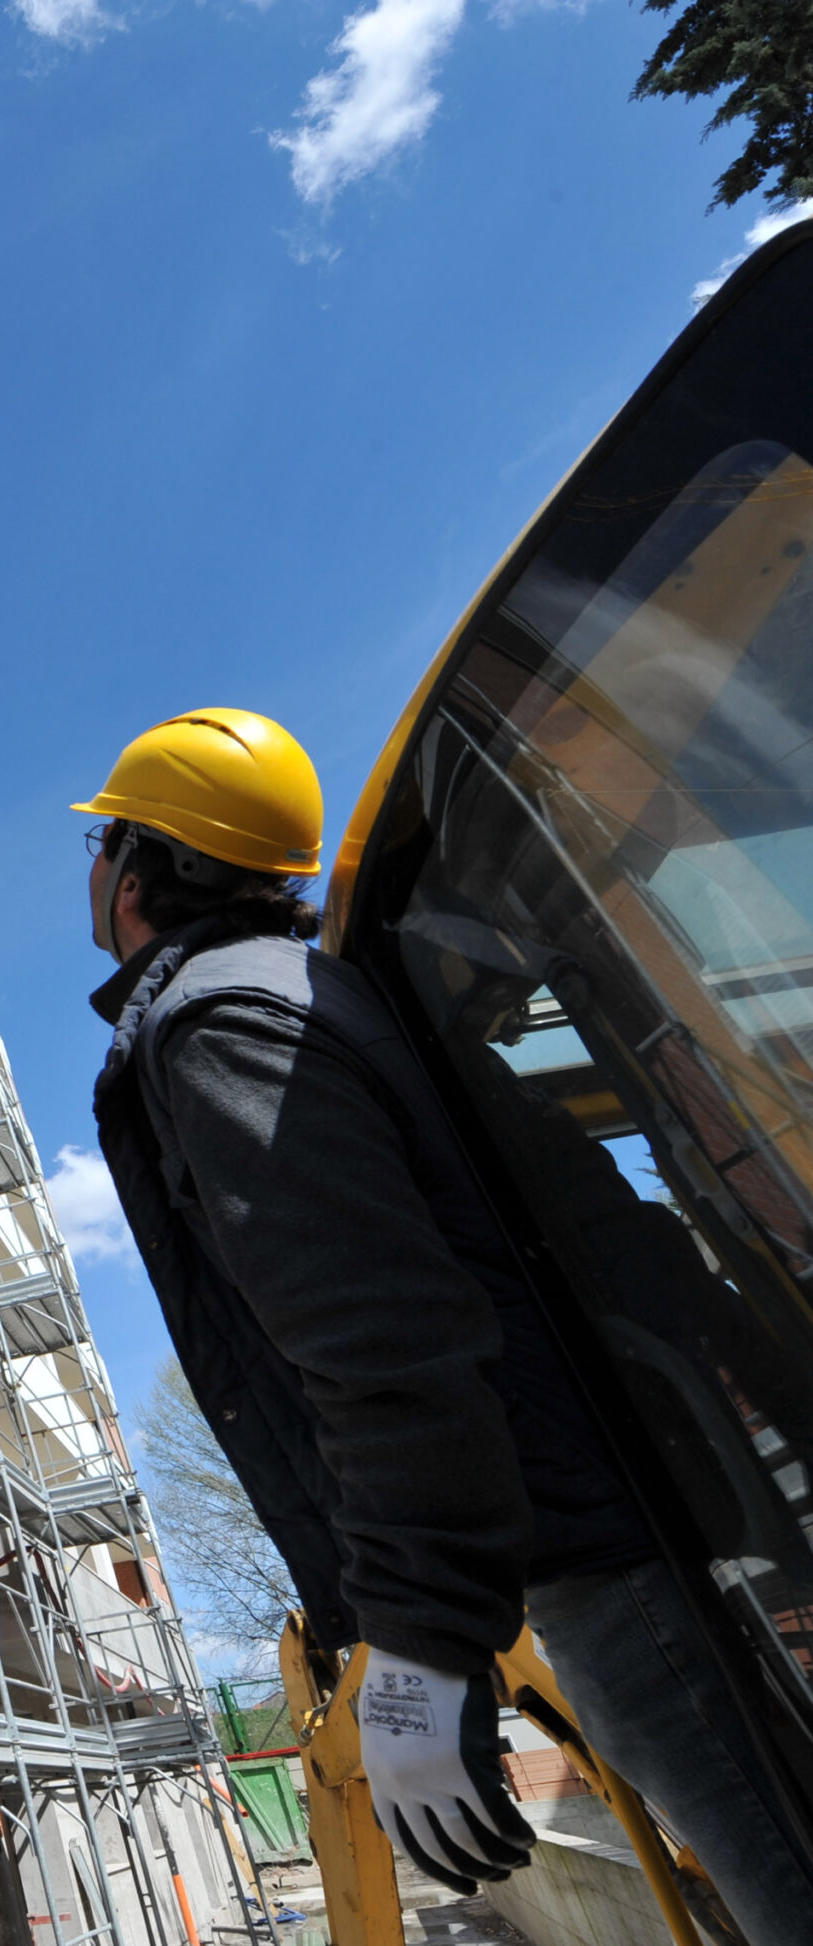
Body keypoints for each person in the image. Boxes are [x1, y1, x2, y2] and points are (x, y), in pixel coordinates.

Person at [76, 706, 813, 1936]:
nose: (90, 870)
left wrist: (421, 1647)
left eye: (100, 842)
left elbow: (385, 1343)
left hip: (595, 1546)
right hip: (620, 1502)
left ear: (147, 867)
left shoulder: (222, 1022)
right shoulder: (318, 993)